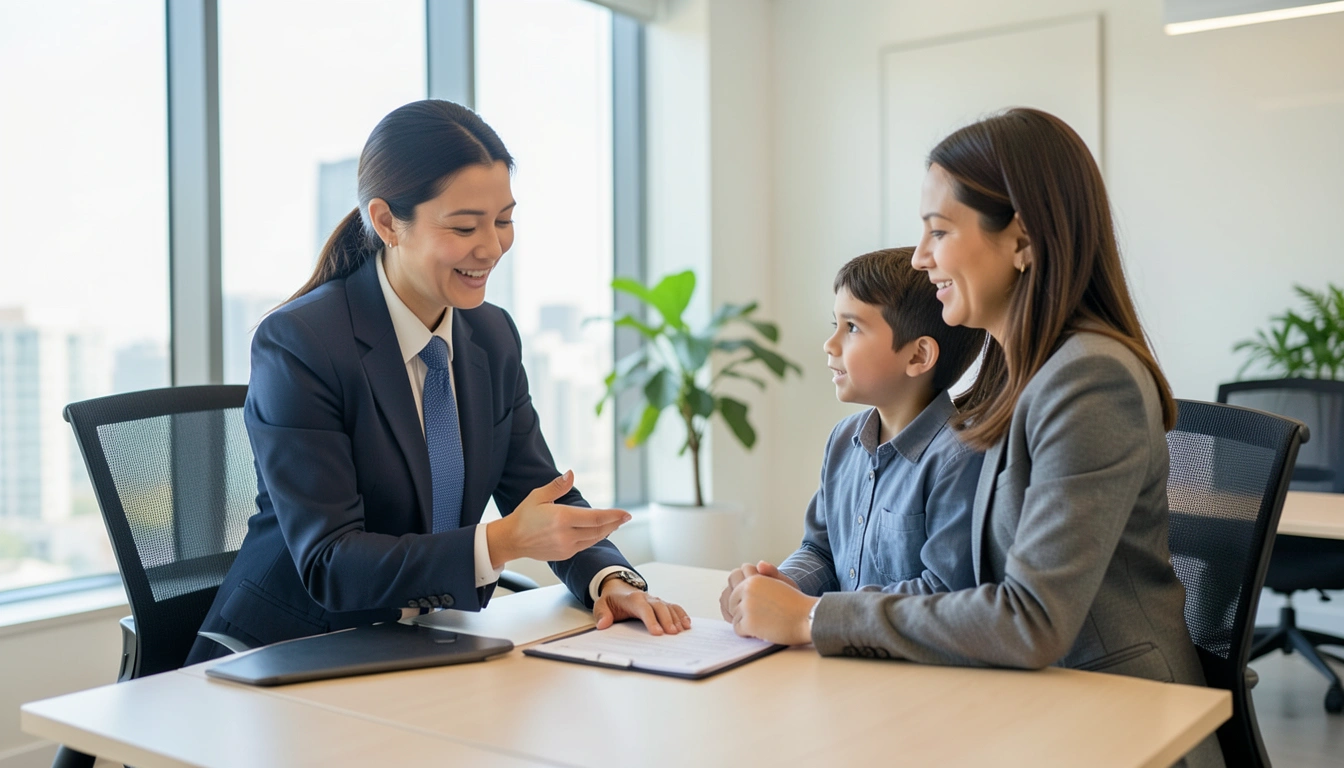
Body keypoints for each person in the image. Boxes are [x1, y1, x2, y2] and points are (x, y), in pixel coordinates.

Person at [722, 108, 1222, 766]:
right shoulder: (1014, 376)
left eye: (939, 231)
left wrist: (810, 618)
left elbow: (1033, 619)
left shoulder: (1090, 379)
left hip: (1118, 719)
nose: (921, 257)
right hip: (1029, 699)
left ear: (1022, 241)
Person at [187, 100, 688, 664]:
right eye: (465, 227)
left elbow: (540, 493)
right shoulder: (301, 343)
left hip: (427, 645)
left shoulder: (492, 336)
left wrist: (610, 581)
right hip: (288, 654)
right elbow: (330, 563)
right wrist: (502, 542)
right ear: (386, 222)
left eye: (503, 221)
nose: (491, 247)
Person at [718, 247, 984, 615]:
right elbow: (820, 550)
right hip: (830, 643)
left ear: (918, 356)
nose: (830, 344)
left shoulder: (959, 458)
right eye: (835, 325)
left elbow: (943, 592)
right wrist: (783, 585)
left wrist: (813, 613)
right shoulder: (843, 441)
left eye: (852, 328)